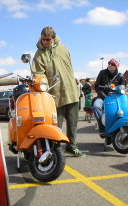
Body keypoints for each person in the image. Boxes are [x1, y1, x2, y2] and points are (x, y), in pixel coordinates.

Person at [31, 26, 84, 157]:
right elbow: (38, 75)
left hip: (71, 92)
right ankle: (56, 150)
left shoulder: (63, 49)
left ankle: (72, 146)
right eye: (43, 39)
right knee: (56, 126)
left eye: (47, 39)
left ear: (54, 38)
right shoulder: (39, 54)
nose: (45, 42)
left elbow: (70, 67)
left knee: (73, 123)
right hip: (55, 95)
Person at [93, 58, 125, 136]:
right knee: (96, 106)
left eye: (112, 64)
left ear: (116, 66)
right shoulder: (102, 72)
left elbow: (123, 88)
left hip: (115, 98)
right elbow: (97, 87)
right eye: (109, 63)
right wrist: (104, 96)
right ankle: (102, 127)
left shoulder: (120, 76)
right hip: (101, 97)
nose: (110, 65)